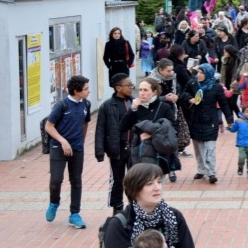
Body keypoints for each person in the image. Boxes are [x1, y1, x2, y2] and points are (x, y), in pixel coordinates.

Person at [102, 163, 195, 248]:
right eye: (149, 184)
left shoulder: (174, 216)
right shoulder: (120, 224)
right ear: (134, 189)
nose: (157, 188)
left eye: (159, 182)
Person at [44, 75, 91, 228]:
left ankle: (74, 214)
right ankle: (54, 202)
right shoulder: (62, 105)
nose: (88, 91)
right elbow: (49, 126)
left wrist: (81, 142)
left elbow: (85, 124)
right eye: (86, 89)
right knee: (56, 179)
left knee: (76, 180)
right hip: (58, 147)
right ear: (77, 91)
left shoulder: (86, 104)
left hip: (77, 148)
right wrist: (63, 141)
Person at [184, 64, 233, 184]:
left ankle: (211, 172)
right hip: (195, 120)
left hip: (210, 121)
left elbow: (224, 104)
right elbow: (183, 93)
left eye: (202, 73)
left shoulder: (216, 87)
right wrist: (189, 98)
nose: (199, 75)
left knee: (210, 148)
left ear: (208, 73)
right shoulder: (192, 84)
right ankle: (201, 170)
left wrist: (229, 119)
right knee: (198, 148)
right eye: (198, 72)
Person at [95, 74, 135, 214]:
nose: (132, 87)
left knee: (135, 179)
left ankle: (134, 207)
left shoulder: (134, 103)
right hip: (117, 149)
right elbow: (100, 129)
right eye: (128, 85)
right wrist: (99, 151)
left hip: (133, 148)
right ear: (118, 88)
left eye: (132, 85)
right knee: (117, 180)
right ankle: (117, 208)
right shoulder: (107, 106)